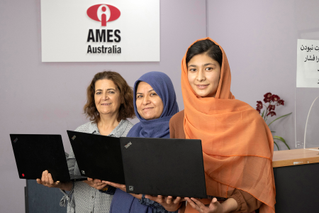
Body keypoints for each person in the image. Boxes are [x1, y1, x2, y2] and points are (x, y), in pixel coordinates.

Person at [167, 38, 276, 213]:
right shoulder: (179, 122)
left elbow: (260, 185)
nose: (200, 77)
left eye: (208, 68)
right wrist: (170, 203)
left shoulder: (249, 120)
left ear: (222, 72)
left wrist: (223, 208)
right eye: (193, 69)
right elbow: (179, 184)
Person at [36, 71, 135, 213]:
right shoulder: (80, 132)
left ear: (122, 96)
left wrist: (108, 184)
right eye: (99, 92)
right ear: (93, 97)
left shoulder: (132, 135)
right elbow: (73, 184)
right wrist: (58, 183)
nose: (104, 97)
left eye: (111, 92)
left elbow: (138, 188)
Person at [105, 71, 180, 213]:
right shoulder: (135, 131)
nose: (145, 101)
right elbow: (125, 182)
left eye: (153, 94)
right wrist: (105, 184)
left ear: (166, 96)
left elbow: (173, 203)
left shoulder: (179, 134)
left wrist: (127, 187)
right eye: (139, 96)